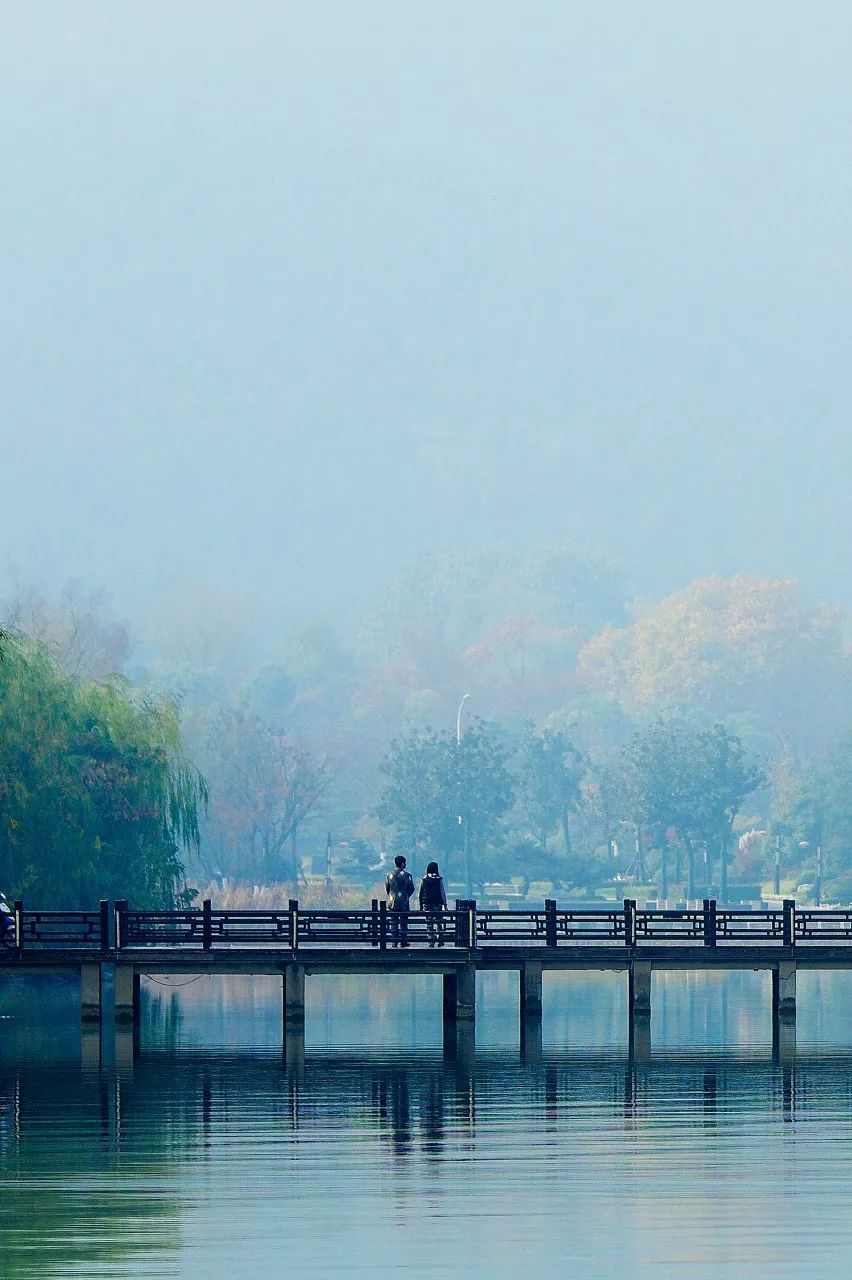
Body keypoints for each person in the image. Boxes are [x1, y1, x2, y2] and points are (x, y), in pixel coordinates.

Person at [385, 855, 415, 948]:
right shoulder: (408, 876)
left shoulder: (389, 875)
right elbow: (412, 888)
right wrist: (406, 896)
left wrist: (391, 896)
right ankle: (403, 941)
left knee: (393, 922)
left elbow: (387, 888)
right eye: (404, 862)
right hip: (404, 902)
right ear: (402, 864)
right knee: (403, 922)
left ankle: (394, 941)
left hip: (392, 901)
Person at [418, 861, 448, 948]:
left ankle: (431, 940)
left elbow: (421, 892)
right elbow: (442, 892)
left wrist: (420, 904)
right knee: (438, 921)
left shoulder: (424, 879)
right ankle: (440, 938)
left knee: (429, 922)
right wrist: (445, 904)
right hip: (437, 902)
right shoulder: (439, 879)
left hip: (426, 902)